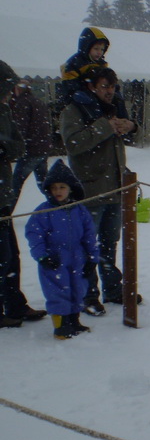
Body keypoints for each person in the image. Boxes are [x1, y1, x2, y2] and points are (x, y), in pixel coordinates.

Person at [60, 67, 140, 317]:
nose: (110, 91)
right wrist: (105, 127)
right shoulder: (74, 110)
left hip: (116, 188)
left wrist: (131, 126)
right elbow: (73, 144)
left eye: (113, 87)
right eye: (104, 86)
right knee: (86, 247)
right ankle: (87, 296)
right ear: (91, 86)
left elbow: (130, 136)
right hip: (90, 190)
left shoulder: (113, 108)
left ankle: (113, 290)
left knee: (109, 244)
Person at [25, 159, 99, 340]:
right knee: (58, 290)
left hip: (77, 256)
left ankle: (74, 319)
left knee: (77, 288)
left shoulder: (80, 210)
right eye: (54, 188)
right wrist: (42, 256)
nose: (57, 191)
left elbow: (89, 235)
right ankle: (61, 325)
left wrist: (92, 257)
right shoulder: (43, 212)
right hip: (55, 258)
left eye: (62, 187)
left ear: (71, 188)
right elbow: (34, 235)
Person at [0, 61, 47, 328]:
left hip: (2, 193)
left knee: (11, 255)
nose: (10, 93)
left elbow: (18, 145)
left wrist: (5, 149)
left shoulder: (6, 110)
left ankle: (16, 305)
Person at [9, 78, 53, 211]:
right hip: (43, 148)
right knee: (44, 183)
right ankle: (60, 205)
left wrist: (13, 147)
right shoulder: (38, 101)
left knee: (15, 185)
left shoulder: (22, 103)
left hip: (30, 150)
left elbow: (20, 129)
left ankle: (5, 214)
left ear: (17, 88)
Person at [57, 27, 110, 113]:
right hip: (79, 96)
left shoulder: (102, 64)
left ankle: (121, 120)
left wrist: (111, 87)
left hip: (97, 93)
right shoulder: (75, 63)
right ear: (87, 47)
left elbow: (107, 79)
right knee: (90, 104)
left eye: (102, 49)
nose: (99, 52)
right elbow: (69, 83)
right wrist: (75, 92)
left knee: (117, 100)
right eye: (96, 49)